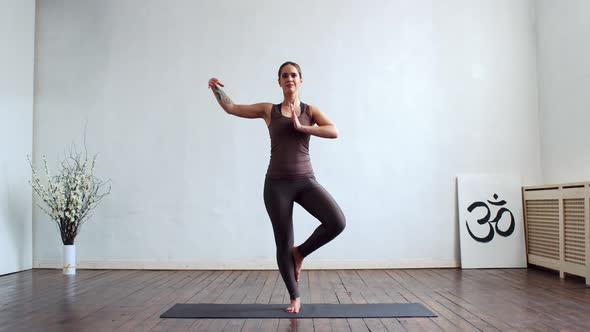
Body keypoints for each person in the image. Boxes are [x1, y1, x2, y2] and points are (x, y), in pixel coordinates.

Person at [208, 61, 346, 314]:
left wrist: (302, 127)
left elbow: (334, 131)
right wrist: (215, 89)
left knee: (337, 222)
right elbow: (232, 108)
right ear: (279, 82)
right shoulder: (268, 110)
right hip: (276, 185)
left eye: (294, 75)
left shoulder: (309, 110)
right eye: (285, 75)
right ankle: (295, 297)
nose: (289, 79)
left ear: (301, 80)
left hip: (305, 181)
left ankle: (300, 253)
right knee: (283, 242)